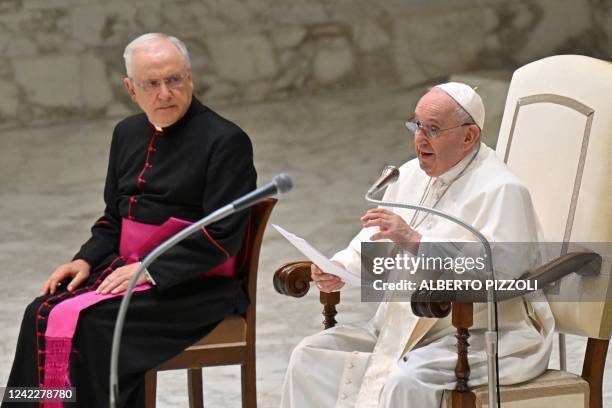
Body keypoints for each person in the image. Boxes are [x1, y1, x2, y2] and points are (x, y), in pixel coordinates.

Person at [3, 33, 257, 407]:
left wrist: (150, 270)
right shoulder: (126, 133)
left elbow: (223, 237)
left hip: (193, 286)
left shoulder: (225, 140)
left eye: (174, 80)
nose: (165, 93)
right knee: (40, 310)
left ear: (190, 78)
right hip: (127, 271)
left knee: (94, 324)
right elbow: (114, 218)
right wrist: (84, 260)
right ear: (131, 89)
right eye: (151, 84)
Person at [280, 83, 554, 407]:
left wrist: (415, 241)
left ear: (469, 137)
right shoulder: (409, 175)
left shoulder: (502, 190)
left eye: (433, 129)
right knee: (310, 357)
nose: (420, 139)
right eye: (417, 125)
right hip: (400, 327)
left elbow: (503, 271)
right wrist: (341, 267)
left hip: (476, 333)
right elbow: (376, 236)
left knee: (405, 383)